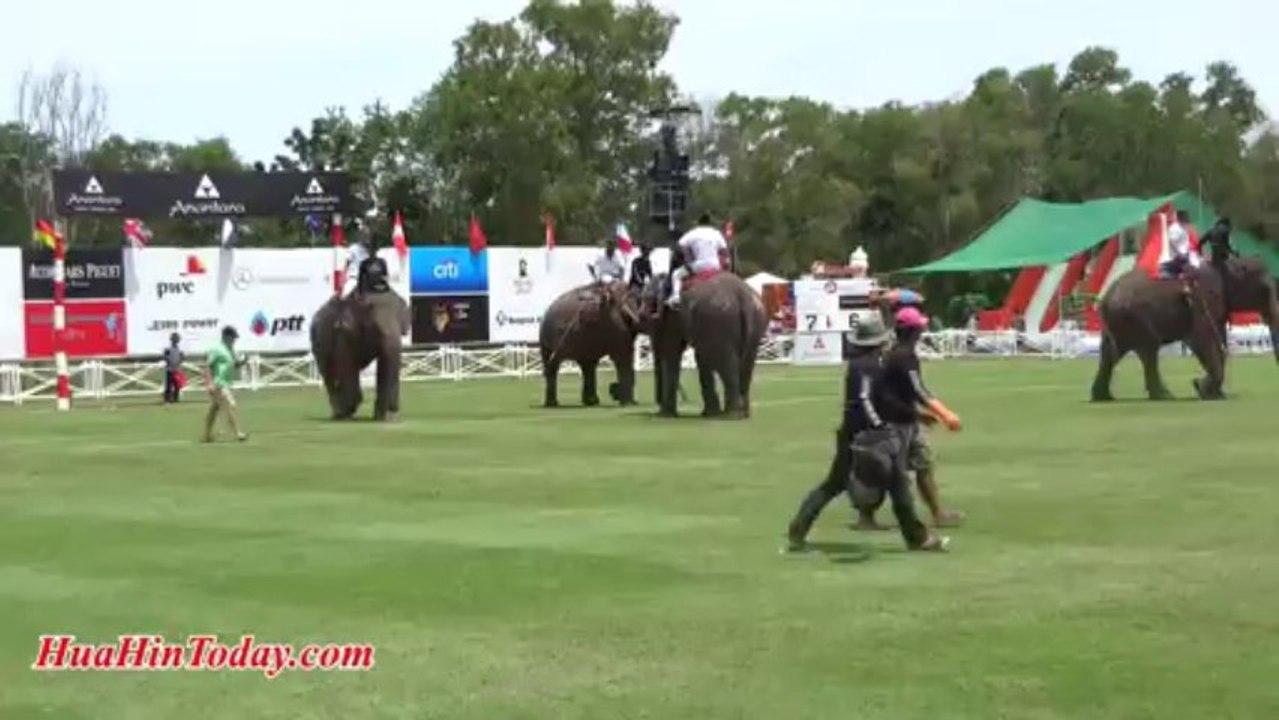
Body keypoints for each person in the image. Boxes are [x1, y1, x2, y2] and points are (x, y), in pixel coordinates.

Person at [784, 313, 946, 553]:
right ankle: (917, 538)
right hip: (862, 435)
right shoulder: (867, 366)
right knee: (893, 485)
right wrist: (879, 427)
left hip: (855, 433)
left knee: (840, 485)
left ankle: (798, 531)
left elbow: (883, 400)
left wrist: (914, 416)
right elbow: (864, 400)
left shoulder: (869, 364)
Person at [852, 307, 964, 530]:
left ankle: (937, 513)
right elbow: (918, 390)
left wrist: (919, 415)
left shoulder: (897, 353)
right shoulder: (904, 356)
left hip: (907, 418)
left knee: (924, 464)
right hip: (895, 423)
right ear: (914, 331)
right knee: (891, 472)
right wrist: (945, 414)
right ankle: (869, 517)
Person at [668, 212, 728, 306]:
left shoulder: (693, 233)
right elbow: (724, 251)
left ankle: (676, 297)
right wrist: (725, 264)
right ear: (709, 223)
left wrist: (688, 258)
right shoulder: (716, 233)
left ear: (699, 223)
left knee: (676, 275)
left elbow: (680, 246)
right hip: (715, 266)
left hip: (699, 266)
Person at [203, 326, 248, 443]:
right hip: (218, 383)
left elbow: (235, 365)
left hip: (226, 383)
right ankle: (238, 433)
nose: (234, 340)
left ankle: (207, 435)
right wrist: (209, 383)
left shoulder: (231, 349)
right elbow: (208, 366)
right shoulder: (216, 349)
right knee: (230, 404)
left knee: (215, 409)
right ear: (225, 336)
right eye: (233, 337)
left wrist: (242, 362)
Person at [162, 333, 185, 404]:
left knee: (177, 385)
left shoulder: (180, 349)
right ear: (171, 340)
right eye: (174, 339)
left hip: (177, 370)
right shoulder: (168, 349)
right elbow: (165, 357)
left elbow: (182, 357)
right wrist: (169, 360)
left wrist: (180, 361)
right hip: (169, 369)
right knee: (168, 385)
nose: (176, 341)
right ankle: (167, 399)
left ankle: (175, 399)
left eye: (177, 339)